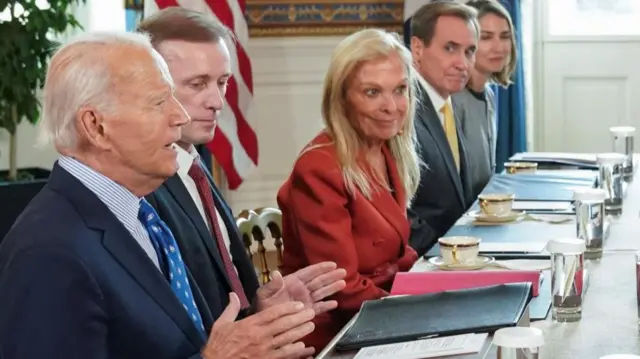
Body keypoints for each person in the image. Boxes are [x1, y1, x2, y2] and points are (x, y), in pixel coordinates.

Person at [0, 31, 318, 359]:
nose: (180, 116)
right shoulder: (48, 252)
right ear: (96, 126)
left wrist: (260, 323)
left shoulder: (140, 215)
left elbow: (179, 342)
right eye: (158, 102)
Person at [138, 7, 347, 355]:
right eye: (197, 84)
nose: (217, 102)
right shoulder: (144, 187)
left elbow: (218, 300)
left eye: (222, 82)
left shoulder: (194, 165)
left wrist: (261, 309)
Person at [276, 28, 421, 350]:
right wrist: (419, 311)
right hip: (334, 333)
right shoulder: (320, 168)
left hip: (379, 313)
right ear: (341, 99)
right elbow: (342, 289)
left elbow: (399, 254)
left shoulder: (386, 148)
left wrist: (436, 288)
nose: (392, 106)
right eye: (372, 92)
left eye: (400, 90)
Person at [407, 1, 479, 255]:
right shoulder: (402, 109)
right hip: (428, 261)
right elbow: (399, 211)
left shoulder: (447, 103)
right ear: (417, 48)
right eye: (450, 48)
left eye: (469, 51)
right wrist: (444, 253)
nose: (463, 63)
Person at [452, 0, 517, 199]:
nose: (499, 47)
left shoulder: (489, 94)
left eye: (505, 36)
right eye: (486, 37)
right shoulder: (452, 100)